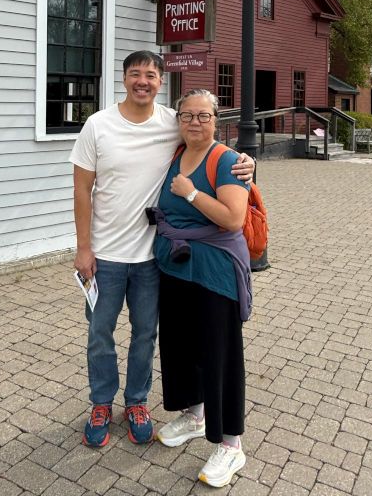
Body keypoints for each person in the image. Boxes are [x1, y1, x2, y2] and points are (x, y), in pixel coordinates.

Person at [70, 51, 254, 448]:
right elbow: (82, 190)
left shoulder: (171, 122)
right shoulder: (98, 125)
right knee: (100, 334)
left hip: (153, 257)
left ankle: (137, 402)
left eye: (150, 75)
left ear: (159, 81)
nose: (143, 81)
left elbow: (207, 140)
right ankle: (101, 402)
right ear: (124, 78)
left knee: (145, 335)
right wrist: (83, 248)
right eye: (135, 74)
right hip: (104, 256)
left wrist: (245, 161)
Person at [154, 88, 251, 489]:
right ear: (178, 119)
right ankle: (195, 415)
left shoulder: (226, 160)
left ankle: (232, 444)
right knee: (180, 345)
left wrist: (191, 192)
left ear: (217, 120)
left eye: (204, 116)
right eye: (188, 115)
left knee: (219, 354)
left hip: (214, 272)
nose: (195, 122)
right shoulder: (176, 153)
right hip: (174, 268)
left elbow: (233, 219)